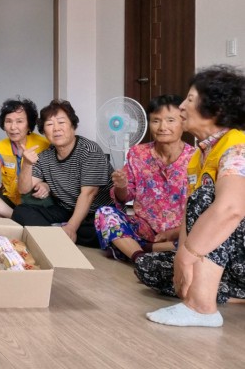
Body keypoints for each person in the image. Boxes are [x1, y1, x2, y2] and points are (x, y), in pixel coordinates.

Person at [135, 65, 245, 328]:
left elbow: (231, 209)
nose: (182, 107)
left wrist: (187, 256)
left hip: (238, 248)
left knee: (208, 198)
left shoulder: (237, 145)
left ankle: (201, 307)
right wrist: (180, 256)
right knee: (148, 266)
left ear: (216, 111)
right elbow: (189, 216)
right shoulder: (200, 155)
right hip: (230, 261)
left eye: (191, 100)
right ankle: (234, 294)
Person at [95, 95, 195, 262]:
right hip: (144, 229)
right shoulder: (137, 153)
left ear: (183, 123)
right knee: (104, 213)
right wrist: (121, 186)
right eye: (156, 121)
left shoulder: (196, 157)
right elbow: (124, 197)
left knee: (206, 237)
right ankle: (142, 259)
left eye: (170, 120)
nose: (162, 127)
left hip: (181, 232)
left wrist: (176, 232)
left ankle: (140, 249)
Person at [13, 99, 113, 247]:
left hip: (96, 213)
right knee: (20, 212)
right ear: (44, 131)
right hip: (66, 209)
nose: (56, 129)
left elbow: (88, 194)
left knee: (103, 230)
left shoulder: (89, 151)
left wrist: (72, 227)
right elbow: (23, 189)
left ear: (73, 126)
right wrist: (27, 164)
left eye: (61, 122)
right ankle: (59, 235)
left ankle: (58, 233)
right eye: (49, 124)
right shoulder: (45, 156)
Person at [0, 98, 50, 218]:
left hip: (33, 199)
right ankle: (13, 215)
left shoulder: (44, 145)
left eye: (19, 121)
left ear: (29, 124)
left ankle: (11, 214)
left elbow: (57, 177)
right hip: (11, 200)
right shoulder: (1, 146)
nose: (13, 127)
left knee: (31, 194)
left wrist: (46, 185)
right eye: (8, 121)